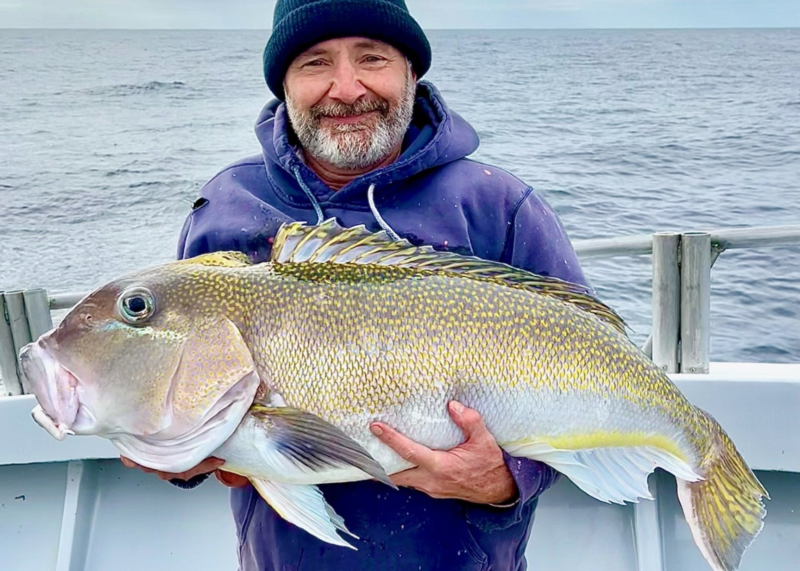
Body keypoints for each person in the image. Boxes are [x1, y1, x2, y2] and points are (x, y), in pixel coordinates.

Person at [123, 0, 592, 569]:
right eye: (315, 63)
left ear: (411, 75)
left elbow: (589, 372)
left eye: (372, 58)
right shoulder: (224, 204)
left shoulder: (496, 206)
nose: (346, 89)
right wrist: (174, 450)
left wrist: (505, 479)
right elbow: (190, 381)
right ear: (285, 86)